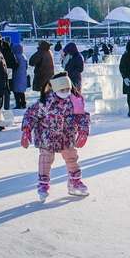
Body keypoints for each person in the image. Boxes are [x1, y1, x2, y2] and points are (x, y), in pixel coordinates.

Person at [22, 72, 91, 202]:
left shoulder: (74, 101)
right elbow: (31, 114)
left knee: (72, 158)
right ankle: (43, 184)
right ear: (55, 89)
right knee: (46, 160)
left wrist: (83, 131)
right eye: (62, 90)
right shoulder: (45, 102)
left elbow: (82, 117)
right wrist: (26, 130)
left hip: (67, 136)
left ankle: (74, 182)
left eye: (68, 89)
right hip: (47, 136)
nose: (65, 92)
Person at [1, 39, 18, 110]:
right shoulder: (11, 54)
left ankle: (1, 106)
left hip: (1, 74)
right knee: (8, 90)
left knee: (2, 90)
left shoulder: (0, 54)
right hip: (10, 74)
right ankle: (6, 106)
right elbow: (15, 64)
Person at [11, 43, 28, 109]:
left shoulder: (15, 56)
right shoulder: (23, 56)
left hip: (16, 75)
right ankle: (23, 103)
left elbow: (14, 66)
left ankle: (18, 103)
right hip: (23, 75)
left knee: (16, 91)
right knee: (21, 91)